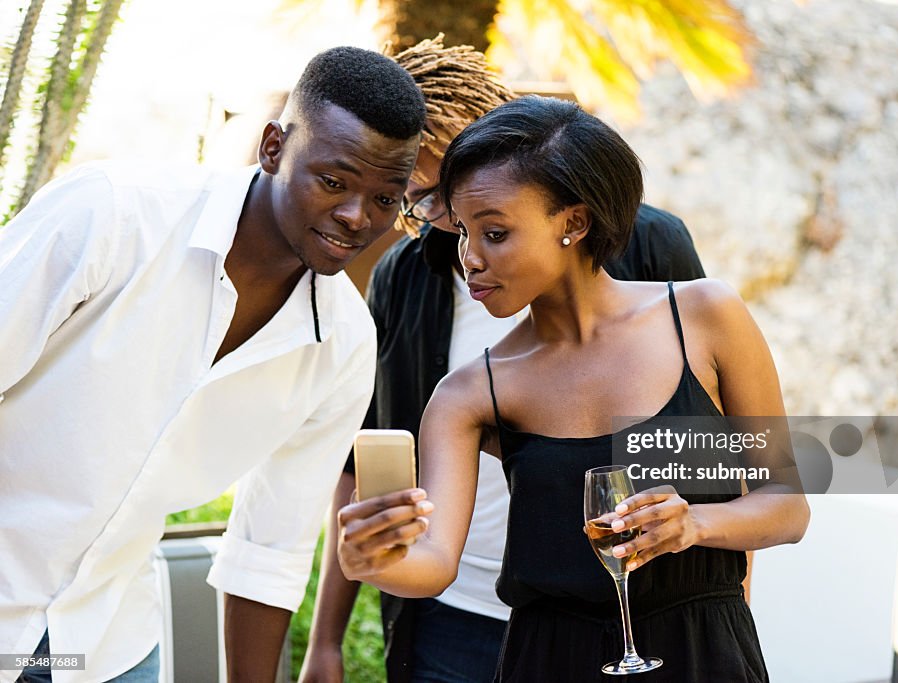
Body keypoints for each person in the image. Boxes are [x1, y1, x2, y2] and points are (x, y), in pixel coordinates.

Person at [337, 95, 811, 682]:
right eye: (463, 231)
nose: (469, 259)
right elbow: (433, 564)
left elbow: (787, 507)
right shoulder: (470, 392)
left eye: (495, 233)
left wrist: (695, 524)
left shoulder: (705, 316)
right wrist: (373, 561)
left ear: (574, 223)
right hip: (549, 660)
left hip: (701, 651)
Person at [0, 47, 425, 683]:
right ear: (274, 146)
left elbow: (268, 550)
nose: (356, 217)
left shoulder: (343, 346)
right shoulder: (111, 215)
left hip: (104, 649)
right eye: (334, 182)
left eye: (385, 198)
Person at [299, 37, 707, 683]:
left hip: (622, 613)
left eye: (443, 193)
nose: (435, 222)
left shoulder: (652, 246)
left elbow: (712, 458)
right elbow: (365, 460)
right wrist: (326, 640)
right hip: (448, 619)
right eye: (417, 202)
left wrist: (723, 620)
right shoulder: (404, 278)